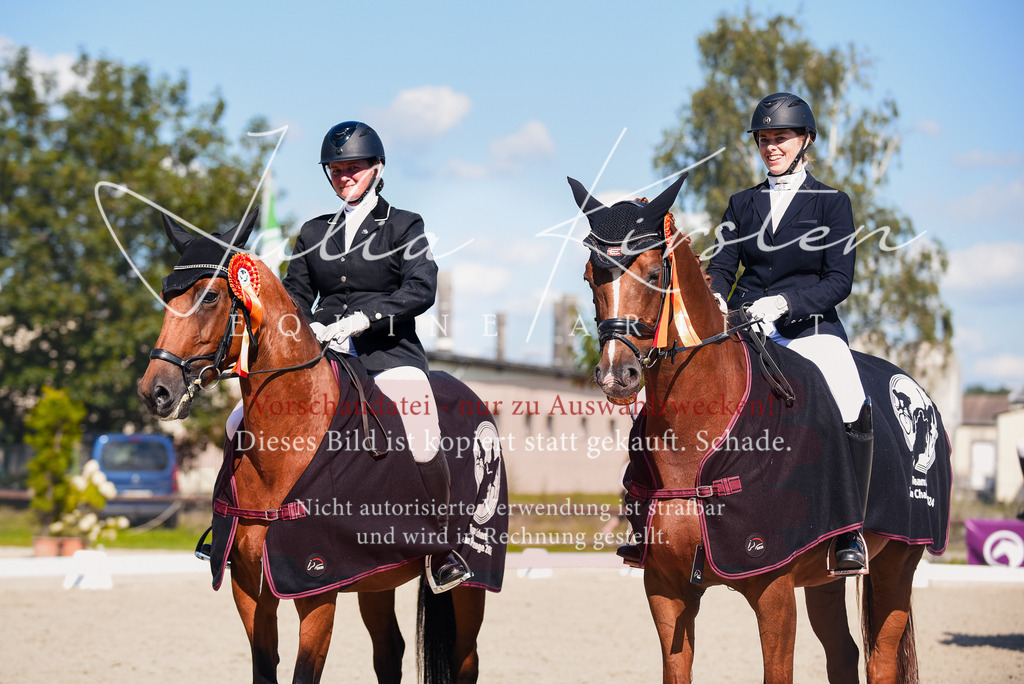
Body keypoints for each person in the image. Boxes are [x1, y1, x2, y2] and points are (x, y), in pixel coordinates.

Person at [281, 120, 472, 592]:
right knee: (240, 420)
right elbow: (294, 296)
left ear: (377, 168)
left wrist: (365, 319)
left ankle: (439, 548)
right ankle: (232, 524)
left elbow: (420, 287)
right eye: (336, 169)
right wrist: (307, 327)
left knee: (423, 427)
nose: (345, 175)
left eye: (354, 167)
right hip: (321, 355)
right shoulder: (312, 232)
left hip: (387, 352)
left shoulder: (404, 225)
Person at [705, 93, 873, 572]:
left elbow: (839, 280)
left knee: (846, 390)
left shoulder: (832, 204)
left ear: (805, 141)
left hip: (808, 329)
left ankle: (849, 531)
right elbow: (722, 267)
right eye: (764, 139)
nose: (770, 147)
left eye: (780, 138)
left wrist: (785, 303)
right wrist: (715, 297)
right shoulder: (742, 203)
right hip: (747, 326)